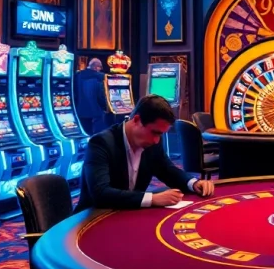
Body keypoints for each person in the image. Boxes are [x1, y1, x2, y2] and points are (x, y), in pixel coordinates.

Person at [75, 95, 214, 211]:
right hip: (92, 218)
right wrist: (152, 199)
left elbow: (167, 169)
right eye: (154, 133)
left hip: (126, 214)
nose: (156, 140)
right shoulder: (101, 143)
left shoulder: (151, 142)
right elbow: (101, 194)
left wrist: (193, 183)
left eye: (160, 135)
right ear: (136, 120)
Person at [75, 58, 109, 134]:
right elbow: (101, 95)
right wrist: (105, 107)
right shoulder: (101, 77)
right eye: (100, 67)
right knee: (96, 136)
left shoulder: (77, 75)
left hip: (80, 111)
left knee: (85, 133)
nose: (100, 69)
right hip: (96, 112)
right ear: (96, 67)